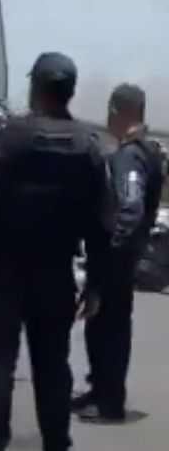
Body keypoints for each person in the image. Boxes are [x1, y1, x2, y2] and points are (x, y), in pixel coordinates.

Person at [0, 52, 109, 451]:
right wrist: (97, 284)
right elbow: (103, 224)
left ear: (36, 88)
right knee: (52, 366)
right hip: (56, 274)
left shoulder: (13, 138)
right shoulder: (88, 147)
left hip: (4, 272)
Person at [74, 84, 165, 422]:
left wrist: (111, 249)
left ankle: (110, 400)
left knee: (110, 328)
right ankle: (99, 389)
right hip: (123, 254)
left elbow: (130, 206)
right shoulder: (147, 150)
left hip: (117, 257)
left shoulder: (130, 155)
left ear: (116, 111)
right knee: (100, 326)